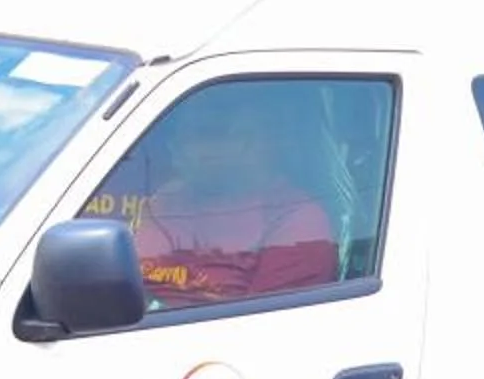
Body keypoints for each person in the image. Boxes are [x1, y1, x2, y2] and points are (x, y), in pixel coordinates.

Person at [131, 96, 339, 309]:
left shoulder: (298, 220)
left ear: (256, 141)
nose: (179, 149)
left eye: (206, 135)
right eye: (180, 138)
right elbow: (130, 287)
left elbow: (260, 327)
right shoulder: (167, 203)